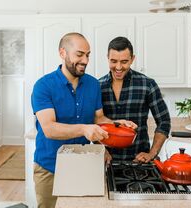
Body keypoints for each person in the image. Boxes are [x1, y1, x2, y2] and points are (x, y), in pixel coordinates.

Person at [31, 33, 136, 208]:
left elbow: (98, 118)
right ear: (63, 53)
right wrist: (84, 129)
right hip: (50, 168)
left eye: (88, 55)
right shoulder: (43, 86)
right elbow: (49, 129)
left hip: (83, 165)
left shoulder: (93, 84)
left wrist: (117, 123)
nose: (85, 60)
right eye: (79, 54)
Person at [99, 36, 171, 163]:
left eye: (124, 61)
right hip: (106, 161)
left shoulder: (147, 84)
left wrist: (152, 153)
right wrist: (101, 151)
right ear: (107, 58)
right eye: (113, 61)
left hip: (139, 161)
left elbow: (164, 122)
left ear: (132, 59)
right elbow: (93, 123)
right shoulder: (97, 86)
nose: (118, 67)